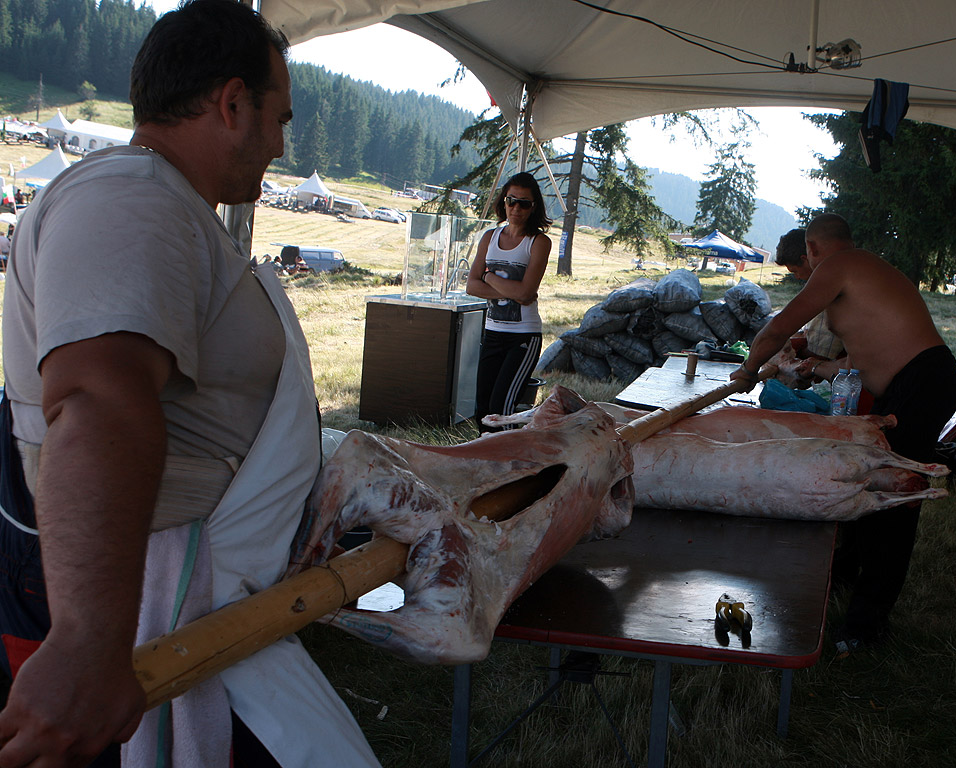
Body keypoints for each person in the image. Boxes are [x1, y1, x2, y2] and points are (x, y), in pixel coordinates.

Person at [0, 2, 380, 767]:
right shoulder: (131, 199)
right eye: (279, 118)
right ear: (232, 104)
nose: (279, 142)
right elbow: (98, 401)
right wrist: (86, 642)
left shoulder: (163, 206)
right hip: (150, 597)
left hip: (204, 586)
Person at [731, 213, 956, 651]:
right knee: (869, 478)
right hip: (913, 382)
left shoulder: (838, 266)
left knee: (895, 495)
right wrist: (811, 368)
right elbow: (856, 360)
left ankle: (865, 627)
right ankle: (846, 578)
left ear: (813, 249)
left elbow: (779, 326)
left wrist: (746, 371)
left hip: (923, 381)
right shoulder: (862, 271)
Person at [467, 172, 552, 430]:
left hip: (523, 337)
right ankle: (484, 461)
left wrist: (488, 276)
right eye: (511, 200)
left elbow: (526, 294)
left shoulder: (538, 242)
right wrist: (509, 290)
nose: (516, 208)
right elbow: (471, 285)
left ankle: (510, 466)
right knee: (482, 408)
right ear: (503, 202)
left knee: (501, 409)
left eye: (524, 203)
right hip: (492, 333)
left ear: (533, 206)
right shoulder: (489, 238)